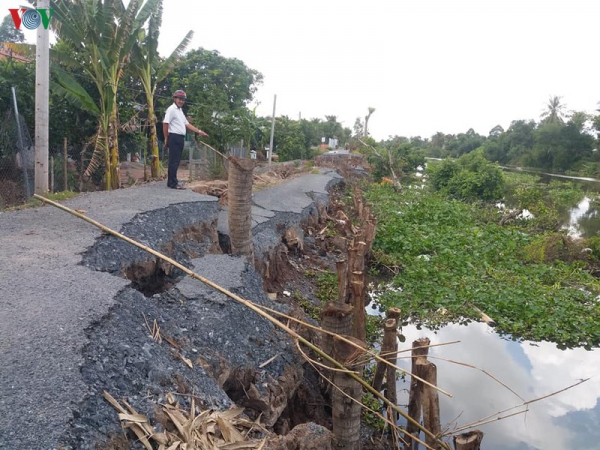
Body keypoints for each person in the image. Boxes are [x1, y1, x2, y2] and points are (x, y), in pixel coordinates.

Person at [162, 90, 209, 189]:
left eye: (183, 100)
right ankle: (172, 183)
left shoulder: (180, 111)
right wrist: (166, 138)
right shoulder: (171, 109)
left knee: (176, 160)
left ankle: (173, 180)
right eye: (179, 99)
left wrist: (199, 131)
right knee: (173, 160)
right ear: (174, 99)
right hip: (174, 137)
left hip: (180, 138)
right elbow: (165, 123)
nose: (181, 101)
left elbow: (187, 124)